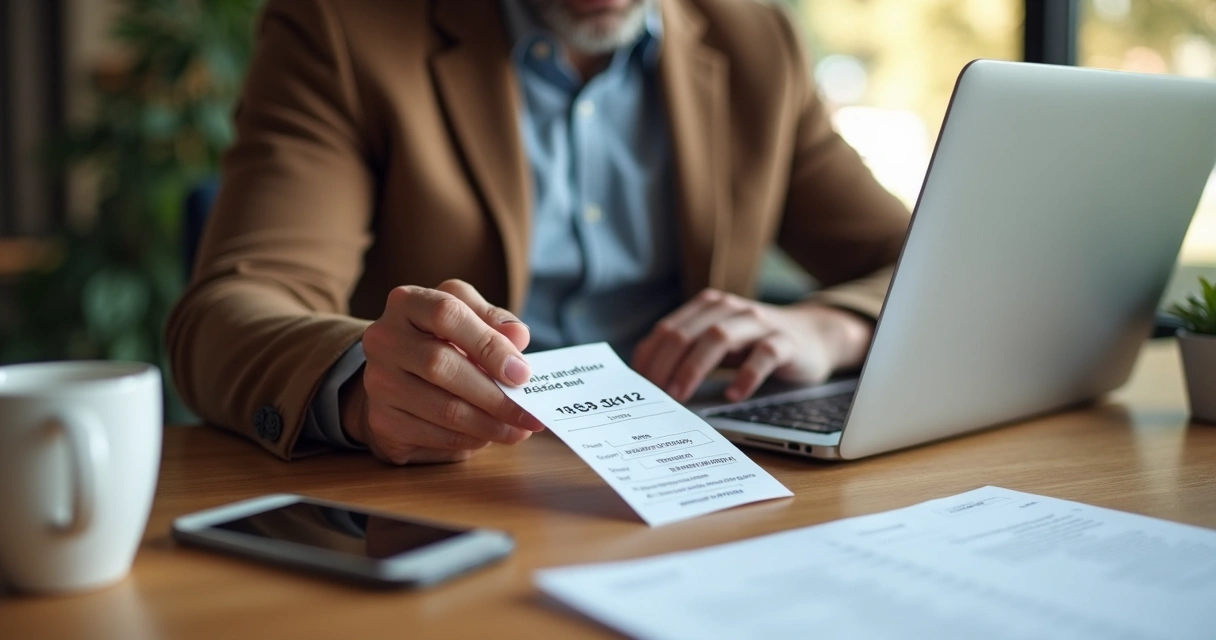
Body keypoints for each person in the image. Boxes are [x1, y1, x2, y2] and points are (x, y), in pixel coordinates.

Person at [165, 0, 910, 464]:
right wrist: (364, 387)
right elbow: (224, 316)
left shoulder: (756, 41)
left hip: (693, 471)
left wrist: (830, 328)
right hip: (464, 490)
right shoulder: (341, 28)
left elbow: (920, 260)